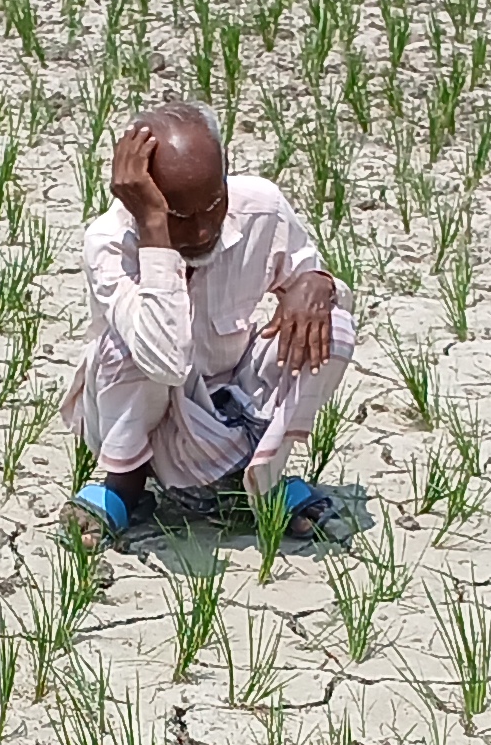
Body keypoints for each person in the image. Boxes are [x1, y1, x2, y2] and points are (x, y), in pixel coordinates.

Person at [60, 100, 353, 548]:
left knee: (328, 325)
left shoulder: (262, 208)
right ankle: (126, 487)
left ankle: (260, 479)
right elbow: (166, 361)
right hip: (147, 419)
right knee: (130, 342)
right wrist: (156, 231)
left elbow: (307, 272)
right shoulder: (110, 243)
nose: (199, 232)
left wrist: (316, 284)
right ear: (143, 198)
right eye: (180, 215)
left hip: (228, 405)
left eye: (212, 205)